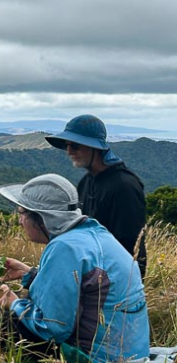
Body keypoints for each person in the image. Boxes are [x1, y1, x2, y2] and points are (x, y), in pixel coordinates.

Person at [0, 174, 149, 363]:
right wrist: (30, 275)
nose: (19, 220)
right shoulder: (92, 233)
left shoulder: (64, 247)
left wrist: (13, 302)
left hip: (97, 362)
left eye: (21, 213)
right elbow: (80, 290)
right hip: (129, 354)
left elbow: (54, 327)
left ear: (42, 218)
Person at [45, 114, 147, 278]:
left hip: (117, 279)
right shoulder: (86, 182)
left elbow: (128, 242)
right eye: (67, 144)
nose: (69, 151)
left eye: (76, 145)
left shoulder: (124, 186)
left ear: (95, 148)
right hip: (92, 271)